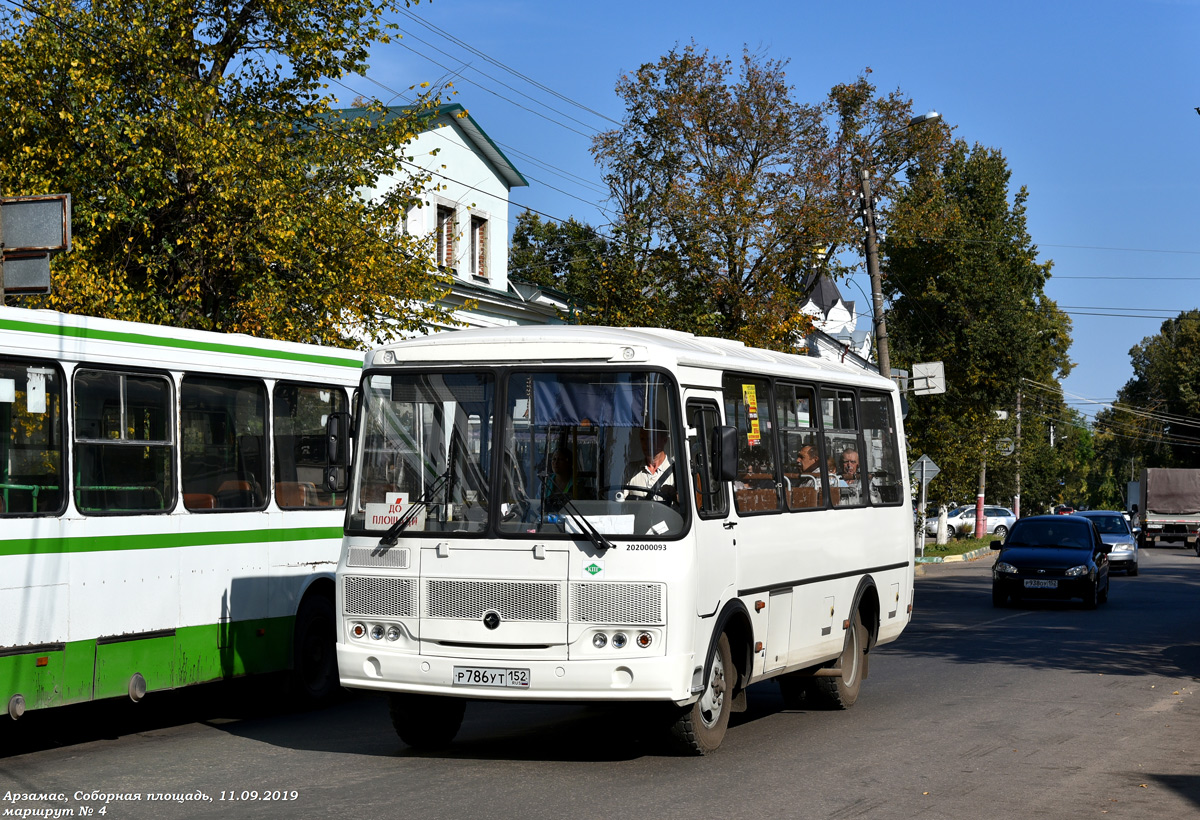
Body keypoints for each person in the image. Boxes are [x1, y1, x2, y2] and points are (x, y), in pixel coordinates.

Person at [623, 417, 677, 503]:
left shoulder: (677, 471)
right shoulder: (630, 470)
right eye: (643, 439)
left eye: (651, 439)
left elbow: (688, 504)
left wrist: (675, 496)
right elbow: (620, 502)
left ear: (665, 440)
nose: (646, 444)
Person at [542, 446, 574, 511]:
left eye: (560, 459)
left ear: (568, 462)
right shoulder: (546, 482)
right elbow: (539, 503)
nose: (556, 463)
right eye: (554, 459)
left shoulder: (577, 484)